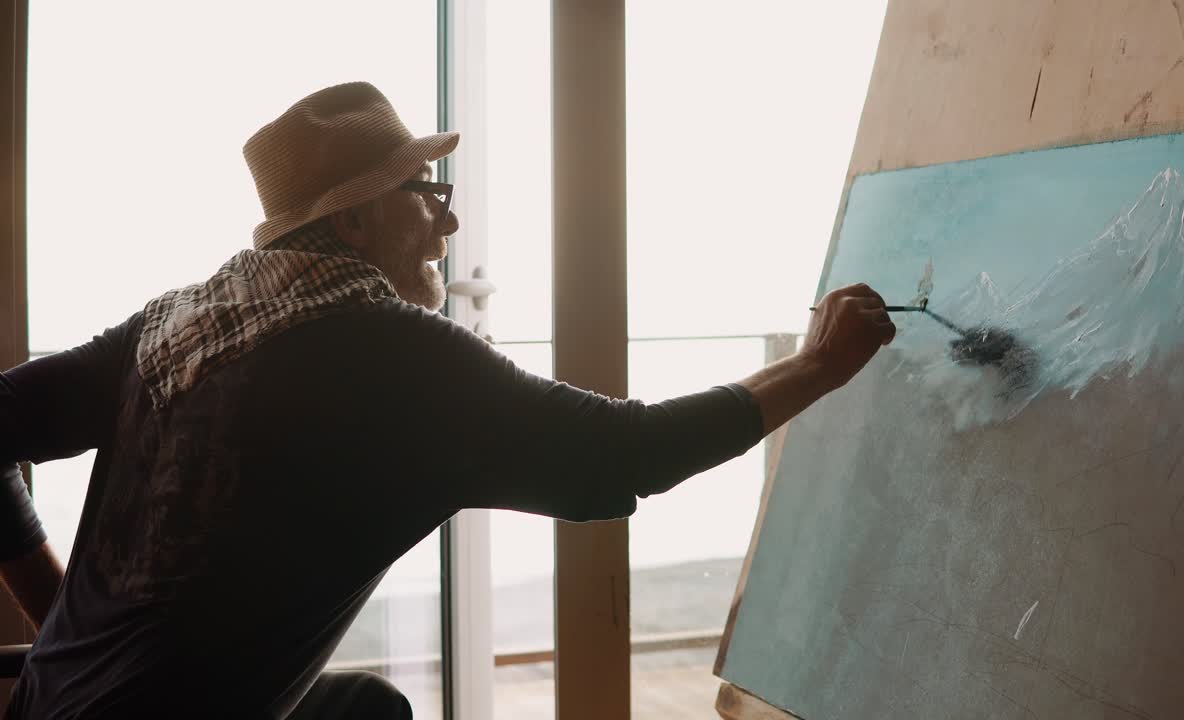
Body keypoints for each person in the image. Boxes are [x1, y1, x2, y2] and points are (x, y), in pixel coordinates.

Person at [0, 81, 895, 718]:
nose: (449, 220)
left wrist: (59, 622)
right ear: (354, 220)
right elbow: (627, 453)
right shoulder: (390, 356)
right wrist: (817, 365)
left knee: (367, 709)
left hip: (45, 701)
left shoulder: (171, 325)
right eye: (427, 194)